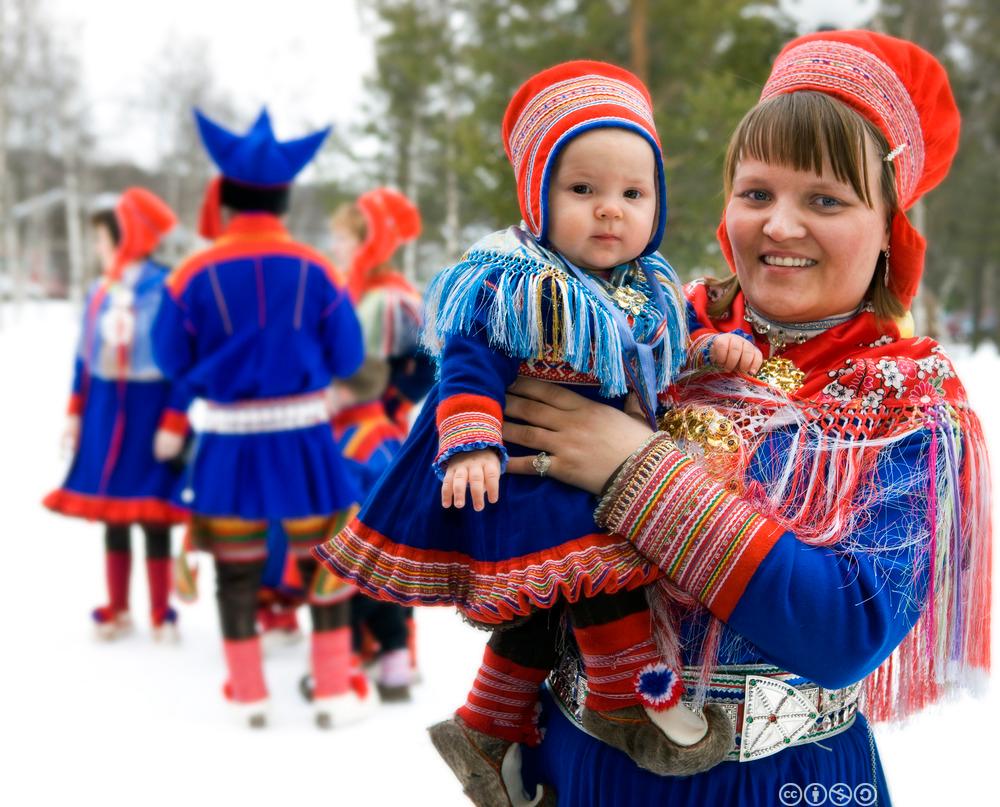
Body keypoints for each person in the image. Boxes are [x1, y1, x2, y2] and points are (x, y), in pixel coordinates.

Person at [496, 30, 990, 806]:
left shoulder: (911, 402)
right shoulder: (648, 331)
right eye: (756, 193)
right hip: (579, 762)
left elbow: (844, 627)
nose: (779, 226)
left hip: (781, 780)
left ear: (891, 223)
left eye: (824, 199)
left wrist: (635, 470)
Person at [314, 61, 753, 801]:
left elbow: (657, 359)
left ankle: (487, 723)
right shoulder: (515, 276)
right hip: (529, 469)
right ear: (537, 196)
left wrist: (709, 349)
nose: (610, 210)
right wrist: (472, 441)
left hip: (582, 461)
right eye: (583, 190)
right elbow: (468, 364)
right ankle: (628, 695)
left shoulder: (645, 289)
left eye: (632, 193)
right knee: (601, 569)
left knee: (548, 604)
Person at [151, 108, 367, 729]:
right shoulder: (319, 269)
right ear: (283, 197)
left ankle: (248, 694)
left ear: (227, 197)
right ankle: (331, 690)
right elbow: (348, 355)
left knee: (236, 572)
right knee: (321, 563)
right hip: (304, 442)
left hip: (227, 445)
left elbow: (172, 359)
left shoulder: (191, 272)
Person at [44, 187, 187, 642]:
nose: (98, 248)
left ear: (129, 235)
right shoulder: (99, 290)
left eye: (104, 238)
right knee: (113, 512)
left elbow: (183, 360)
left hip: (150, 408)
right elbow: (82, 358)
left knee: (153, 510)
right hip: (105, 407)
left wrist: (174, 421)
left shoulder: (167, 288)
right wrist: (74, 411)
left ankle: (162, 611)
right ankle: (119, 607)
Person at [329, 187, 426, 700]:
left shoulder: (388, 296)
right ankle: (375, 650)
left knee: (364, 539)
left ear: (369, 238)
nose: (337, 246)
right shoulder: (354, 287)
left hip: (370, 433)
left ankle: (374, 651)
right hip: (343, 426)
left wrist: (391, 399)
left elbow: (427, 360)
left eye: (344, 237)